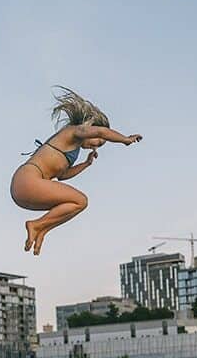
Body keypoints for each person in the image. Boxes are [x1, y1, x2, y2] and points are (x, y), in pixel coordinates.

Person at [10, 87, 142, 255]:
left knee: (72, 204)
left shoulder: (73, 148)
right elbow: (102, 131)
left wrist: (86, 164)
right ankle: (36, 225)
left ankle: (41, 229)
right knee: (80, 200)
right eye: (99, 142)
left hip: (25, 191)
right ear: (90, 128)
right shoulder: (74, 131)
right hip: (27, 181)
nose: (96, 145)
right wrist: (125, 139)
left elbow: (63, 176)